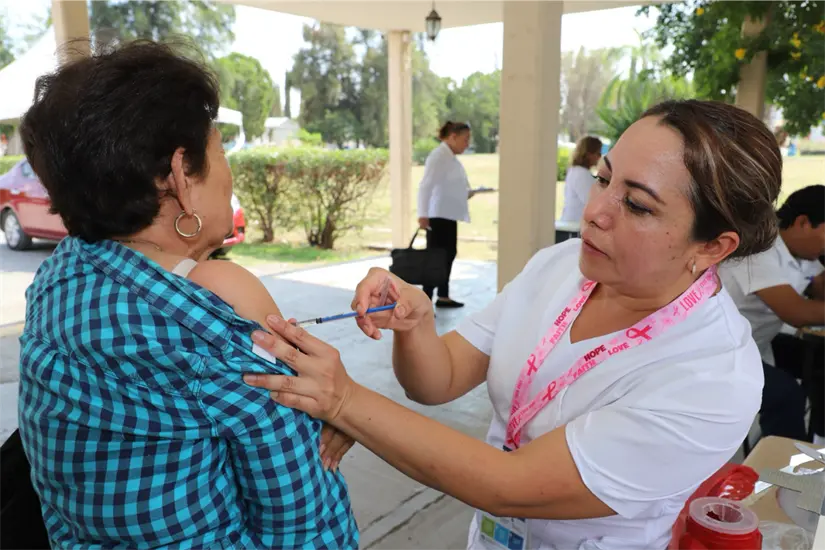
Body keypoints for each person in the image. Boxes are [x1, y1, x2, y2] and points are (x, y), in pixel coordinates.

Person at [245, 100, 778, 549]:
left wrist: (345, 402)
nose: (596, 210)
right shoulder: (561, 267)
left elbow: (507, 484)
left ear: (712, 247)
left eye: (636, 205)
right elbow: (440, 379)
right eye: (603, 179)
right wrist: (417, 323)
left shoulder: (714, 374)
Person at [17, 41, 357, 549]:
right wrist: (337, 409)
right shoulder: (220, 295)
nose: (229, 173)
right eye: (220, 153)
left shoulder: (55, 285)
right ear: (179, 175)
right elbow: (302, 509)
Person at [720, 185, 825, 443]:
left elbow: (819, 289)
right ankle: (781, 472)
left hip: (757, 344)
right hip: (719, 353)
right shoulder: (758, 249)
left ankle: (818, 441)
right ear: (803, 223)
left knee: (822, 359)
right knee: (786, 395)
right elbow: (796, 313)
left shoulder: (805, 253)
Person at [417, 121, 476, 309]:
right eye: (465, 139)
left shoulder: (450, 158)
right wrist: (422, 214)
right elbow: (426, 186)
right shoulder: (439, 156)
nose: (467, 144)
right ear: (453, 137)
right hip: (438, 215)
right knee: (436, 258)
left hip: (448, 214)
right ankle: (425, 300)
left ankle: (443, 295)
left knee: (447, 255)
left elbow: (449, 185)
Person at [559, 136, 603, 229]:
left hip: (571, 223)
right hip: (574, 226)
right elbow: (592, 200)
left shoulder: (576, 171)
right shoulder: (581, 174)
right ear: (588, 154)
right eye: (598, 153)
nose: (599, 157)